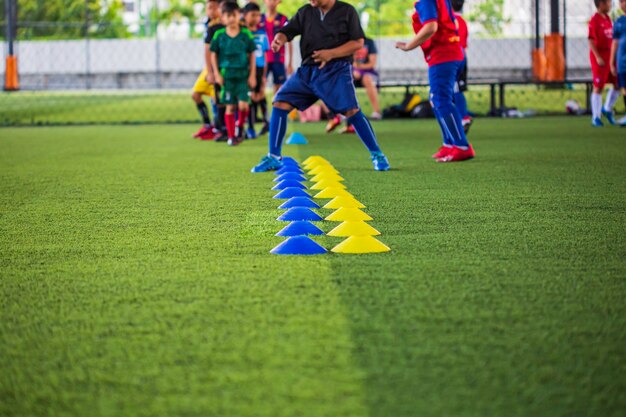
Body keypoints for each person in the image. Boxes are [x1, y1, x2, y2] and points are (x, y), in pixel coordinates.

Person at [251, 0, 390, 172]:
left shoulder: (347, 11)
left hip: (336, 71)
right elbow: (287, 31)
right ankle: (274, 157)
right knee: (280, 103)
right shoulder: (305, 12)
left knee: (351, 111)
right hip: (307, 72)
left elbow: (357, 42)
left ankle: (377, 155)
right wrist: (279, 39)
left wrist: (330, 54)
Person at [396, 0, 474, 162]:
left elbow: (431, 27)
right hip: (452, 52)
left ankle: (461, 146)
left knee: (440, 100)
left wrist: (408, 46)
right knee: (436, 100)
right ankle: (449, 144)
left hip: (443, 55)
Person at [209, 1, 257, 146]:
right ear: (222, 18)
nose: (231, 18)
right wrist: (216, 74)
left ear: (239, 15)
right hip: (227, 76)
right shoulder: (219, 35)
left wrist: (252, 75)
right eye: (228, 15)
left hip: (242, 76)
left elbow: (252, 54)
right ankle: (231, 136)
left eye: (234, 15)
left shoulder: (246, 34)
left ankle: (239, 127)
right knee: (229, 106)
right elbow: (213, 54)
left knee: (243, 105)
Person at [326, 35, 381, 134]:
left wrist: (358, 68)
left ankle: (374, 112)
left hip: (364, 73)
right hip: (350, 72)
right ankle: (340, 117)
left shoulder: (368, 42)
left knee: (362, 81)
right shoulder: (346, 42)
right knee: (339, 84)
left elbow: (372, 63)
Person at [191, 0, 223, 140]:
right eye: (208, 8)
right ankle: (207, 125)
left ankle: (220, 128)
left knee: (218, 100)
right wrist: (209, 71)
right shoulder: (208, 26)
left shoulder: (223, 25)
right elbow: (207, 51)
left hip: (221, 68)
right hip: (209, 68)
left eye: (213, 8)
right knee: (196, 95)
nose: (210, 11)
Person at [589, 0, 620, 126]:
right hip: (600, 58)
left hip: (610, 57)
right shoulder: (594, 20)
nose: (610, 5)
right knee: (599, 86)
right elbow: (590, 40)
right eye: (608, 2)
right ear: (601, 4)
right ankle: (596, 117)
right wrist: (597, 57)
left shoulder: (608, 19)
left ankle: (607, 108)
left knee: (618, 83)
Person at [244, 2, 271, 138]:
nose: (255, 18)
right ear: (245, 16)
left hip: (260, 68)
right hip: (247, 68)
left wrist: (265, 74)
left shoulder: (262, 34)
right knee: (250, 97)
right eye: (252, 15)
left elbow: (265, 55)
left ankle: (267, 122)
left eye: (258, 15)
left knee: (260, 94)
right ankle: (250, 127)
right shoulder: (243, 33)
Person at [261, 0, 293, 93]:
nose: (271, 2)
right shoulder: (259, 18)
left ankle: (276, 107)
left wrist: (290, 63)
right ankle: (263, 107)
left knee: (279, 88)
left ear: (279, 1)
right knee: (260, 85)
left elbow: (289, 41)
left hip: (278, 59)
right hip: (263, 61)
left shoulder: (283, 19)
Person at [451, 0, 472, 133]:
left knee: (455, 88)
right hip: (461, 55)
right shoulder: (462, 21)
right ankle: (460, 117)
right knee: (455, 88)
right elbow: (465, 43)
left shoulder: (451, 20)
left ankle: (463, 117)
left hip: (453, 57)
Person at [610, 0, 626, 126]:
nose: (623, 4)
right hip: (622, 61)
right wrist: (611, 62)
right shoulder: (619, 22)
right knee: (624, 88)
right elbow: (614, 43)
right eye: (621, 1)